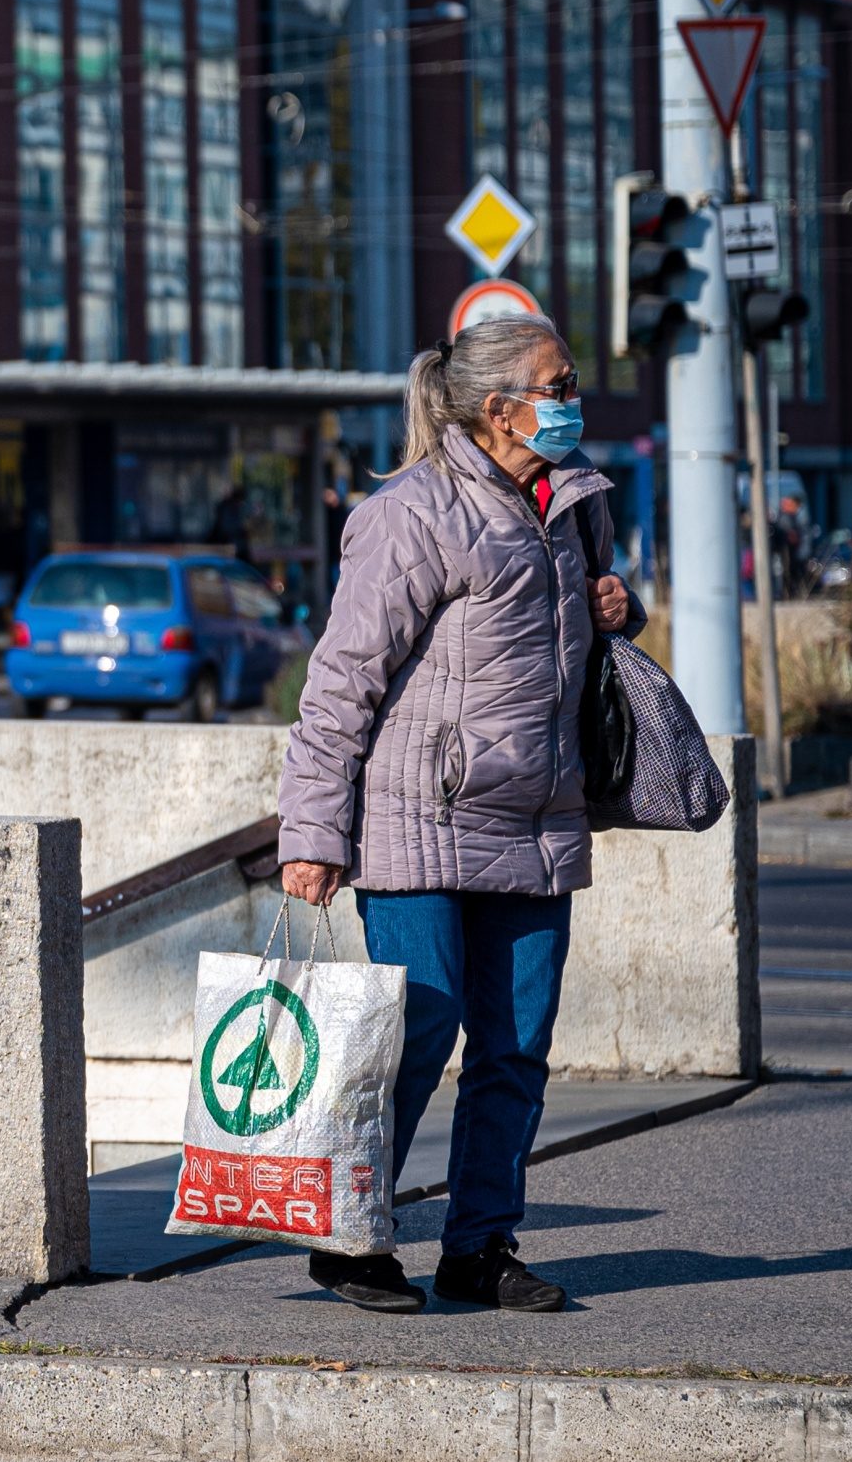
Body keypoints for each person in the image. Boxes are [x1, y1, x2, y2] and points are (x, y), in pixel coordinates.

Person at [271, 314, 640, 1317]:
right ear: (497, 407)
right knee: (417, 1031)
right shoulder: (411, 510)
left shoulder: (572, 497)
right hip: (415, 818)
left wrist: (617, 602)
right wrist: (310, 831)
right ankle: (352, 1238)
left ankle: (478, 1244)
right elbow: (342, 677)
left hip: (536, 811)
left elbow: (587, 620)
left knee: (516, 1043)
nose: (573, 399)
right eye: (557, 384)